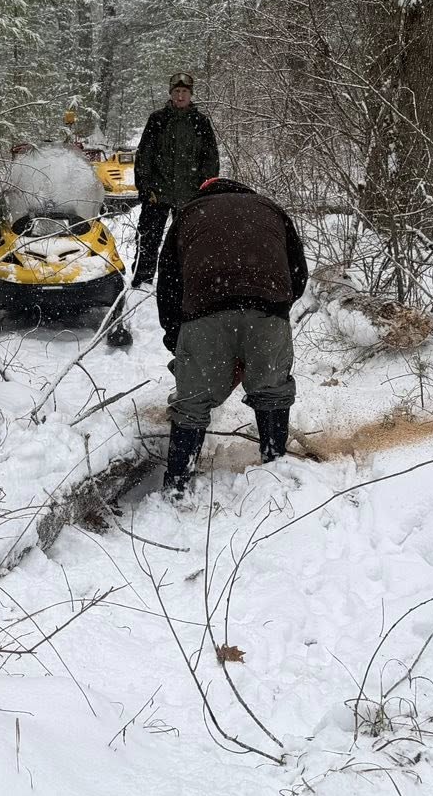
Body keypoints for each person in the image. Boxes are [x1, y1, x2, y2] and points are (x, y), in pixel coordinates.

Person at [155, 176, 309, 494]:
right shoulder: (271, 209)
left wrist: (177, 337)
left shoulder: (188, 214)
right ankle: (275, 468)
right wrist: (273, 311)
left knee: (192, 402)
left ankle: (177, 487)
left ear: (204, 193)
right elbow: (299, 273)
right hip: (267, 312)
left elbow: (168, 284)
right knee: (272, 392)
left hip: (205, 313)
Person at [130, 71, 219, 288]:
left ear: (191, 95)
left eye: (185, 92)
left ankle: (185, 284)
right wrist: (145, 187)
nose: (180, 96)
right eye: (177, 91)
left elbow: (210, 159)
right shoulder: (157, 120)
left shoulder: (201, 122)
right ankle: (142, 283)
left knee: (188, 243)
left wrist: (206, 190)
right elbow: (144, 156)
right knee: (148, 240)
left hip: (190, 196)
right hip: (157, 194)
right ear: (171, 94)